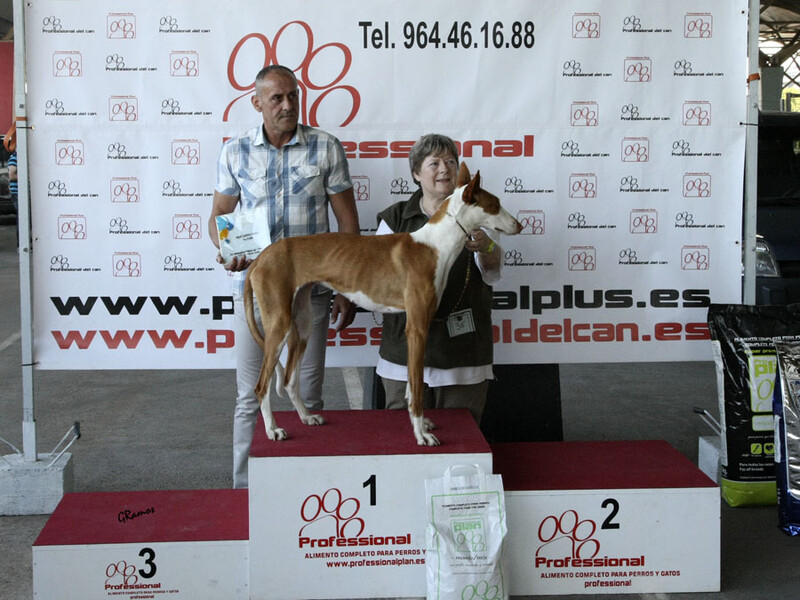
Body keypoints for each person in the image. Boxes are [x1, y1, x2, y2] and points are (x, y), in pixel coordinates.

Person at [209, 65, 360, 488]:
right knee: (248, 396)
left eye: (293, 95)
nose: (288, 105)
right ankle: (243, 490)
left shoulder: (326, 147)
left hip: (312, 288)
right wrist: (228, 251)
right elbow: (219, 215)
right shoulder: (235, 151)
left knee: (308, 394)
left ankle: (305, 495)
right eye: (276, 98)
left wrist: (347, 289)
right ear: (257, 102)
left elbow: (348, 223)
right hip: (255, 288)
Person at [375, 134, 502, 425]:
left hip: (462, 354)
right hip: (402, 355)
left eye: (451, 162)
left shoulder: (477, 212)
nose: (444, 169)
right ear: (416, 174)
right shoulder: (395, 219)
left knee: (463, 436)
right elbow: (378, 281)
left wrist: (488, 247)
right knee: (403, 436)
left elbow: (493, 272)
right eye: (434, 163)